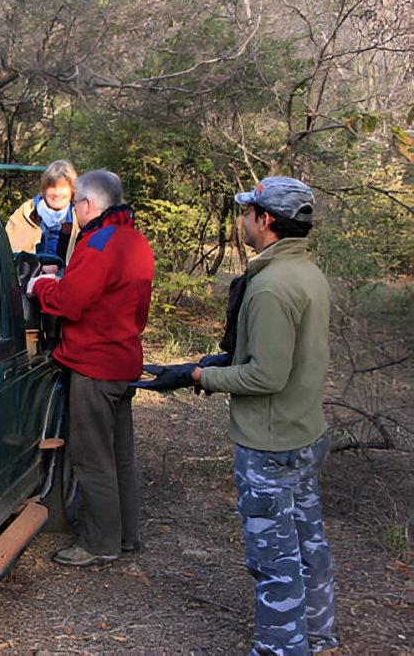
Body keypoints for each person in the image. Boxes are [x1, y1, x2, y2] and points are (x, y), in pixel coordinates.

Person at [136, 176, 337, 655]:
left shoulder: (270, 287)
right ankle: (317, 633)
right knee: (308, 543)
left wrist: (201, 380)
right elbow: (274, 356)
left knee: (274, 557)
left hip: (271, 444)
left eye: (248, 212)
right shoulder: (307, 272)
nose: (243, 219)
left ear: (265, 221)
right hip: (305, 432)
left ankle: (281, 648)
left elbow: (266, 376)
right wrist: (200, 365)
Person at [28, 169, 154, 566]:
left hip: (94, 365)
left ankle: (100, 543)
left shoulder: (99, 244)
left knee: (91, 456)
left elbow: (69, 301)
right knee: (120, 456)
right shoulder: (135, 239)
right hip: (122, 359)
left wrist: (41, 286)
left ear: (87, 205)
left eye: (77, 204)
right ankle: (125, 535)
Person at [6, 159, 80, 263]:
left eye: (63, 187)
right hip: (30, 275)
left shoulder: (79, 216)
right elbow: (11, 251)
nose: (57, 193)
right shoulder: (27, 212)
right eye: (52, 187)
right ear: (44, 189)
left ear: (72, 190)